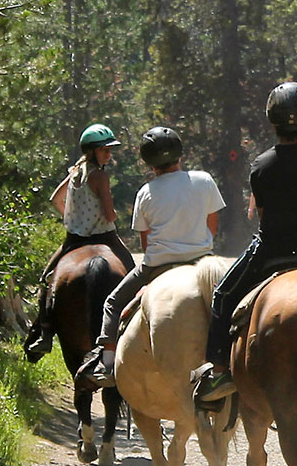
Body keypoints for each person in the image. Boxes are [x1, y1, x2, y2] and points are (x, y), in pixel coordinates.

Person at [192, 81, 297, 403]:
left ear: (272, 122)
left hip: (273, 248)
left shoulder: (261, 164)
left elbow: (261, 212)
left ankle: (218, 370)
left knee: (223, 295)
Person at [78, 126, 226, 387]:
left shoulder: (145, 193)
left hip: (157, 267)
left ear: (149, 162)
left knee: (113, 302)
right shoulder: (204, 180)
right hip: (202, 262)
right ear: (179, 154)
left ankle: (107, 364)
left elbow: (146, 243)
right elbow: (211, 227)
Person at [24, 123, 138, 361]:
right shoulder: (100, 176)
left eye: (109, 150)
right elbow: (109, 216)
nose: (108, 154)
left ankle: (43, 331)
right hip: (105, 236)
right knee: (133, 272)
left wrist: (71, 216)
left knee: (46, 278)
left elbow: (55, 199)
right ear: (92, 151)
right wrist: (115, 214)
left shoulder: (75, 172)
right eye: (104, 150)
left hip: (74, 239)